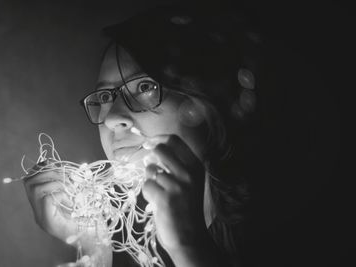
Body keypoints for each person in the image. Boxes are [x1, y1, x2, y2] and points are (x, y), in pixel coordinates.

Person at [24, 5, 264, 267]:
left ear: (208, 107)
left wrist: (188, 245)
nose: (113, 118)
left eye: (145, 86)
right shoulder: (125, 240)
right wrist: (93, 247)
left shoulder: (281, 224)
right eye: (105, 97)